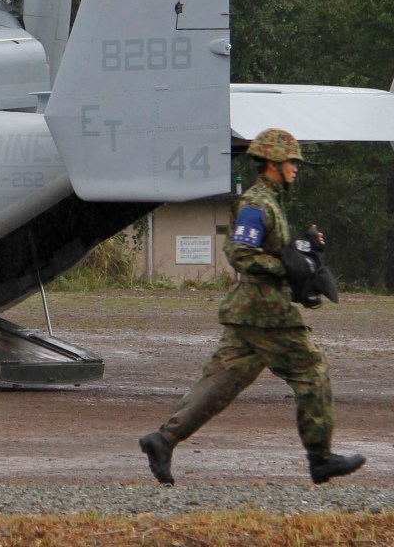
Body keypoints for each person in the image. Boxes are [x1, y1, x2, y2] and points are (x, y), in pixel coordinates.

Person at [138, 128, 365, 486]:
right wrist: (285, 267)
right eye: (292, 162)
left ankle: (163, 440)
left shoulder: (271, 203)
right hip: (266, 314)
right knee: (312, 371)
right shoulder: (257, 204)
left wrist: (301, 255)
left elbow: (274, 252)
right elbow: (240, 253)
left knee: (221, 382)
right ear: (274, 163)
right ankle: (320, 458)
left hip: (252, 314)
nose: (296, 168)